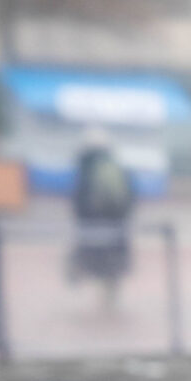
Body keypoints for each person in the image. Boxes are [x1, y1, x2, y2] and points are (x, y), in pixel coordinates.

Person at [66, 127, 134, 309]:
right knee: (111, 265)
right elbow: (130, 196)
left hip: (94, 223)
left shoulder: (88, 167)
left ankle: (96, 290)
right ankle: (108, 296)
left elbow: (80, 199)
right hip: (116, 224)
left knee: (94, 259)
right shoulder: (114, 166)